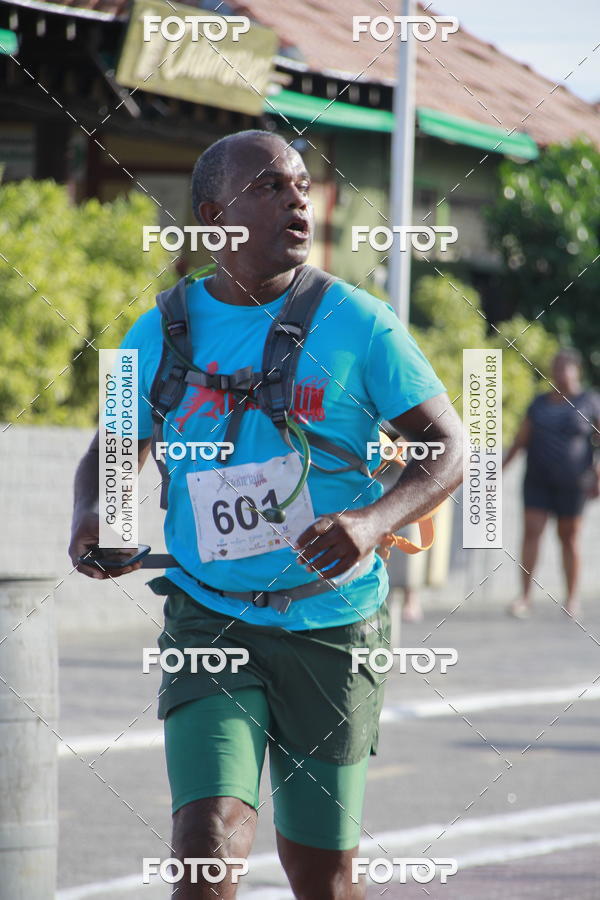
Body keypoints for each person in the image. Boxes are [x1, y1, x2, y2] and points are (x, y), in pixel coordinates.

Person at [69, 130, 463, 899]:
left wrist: (372, 523)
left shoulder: (362, 323)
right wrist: (96, 516)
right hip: (209, 618)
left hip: (333, 625)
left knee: (320, 876)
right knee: (205, 845)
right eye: (270, 187)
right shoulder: (157, 331)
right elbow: (113, 449)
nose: (297, 201)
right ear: (214, 218)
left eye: (301, 186)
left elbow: (448, 448)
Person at [504, 348, 600, 619]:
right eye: (555, 367)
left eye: (564, 367)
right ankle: (524, 597)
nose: (559, 373)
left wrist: (598, 474)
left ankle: (572, 599)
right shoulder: (539, 404)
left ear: (576, 370)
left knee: (569, 537)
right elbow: (520, 439)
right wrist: (497, 470)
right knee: (532, 532)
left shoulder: (589, 402)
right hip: (537, 481)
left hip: (573, 483)